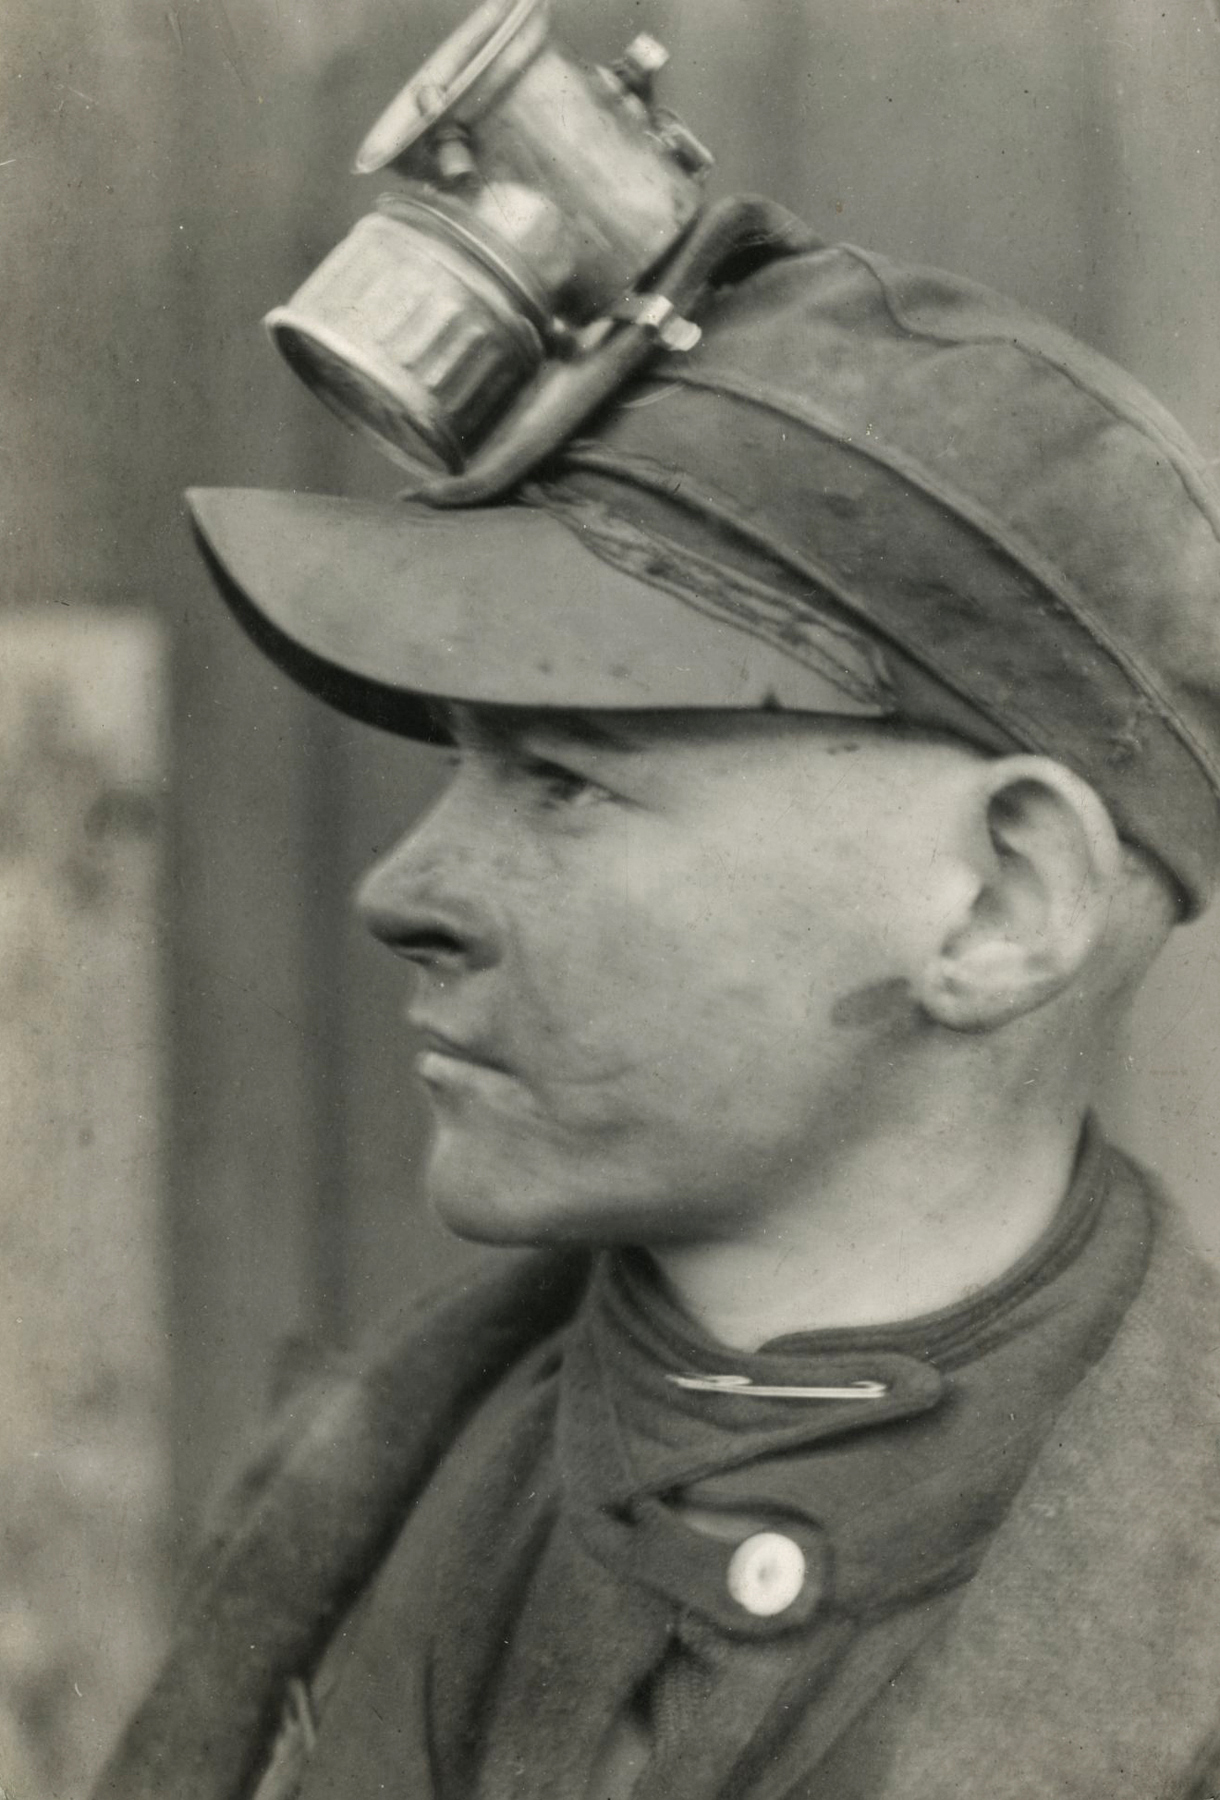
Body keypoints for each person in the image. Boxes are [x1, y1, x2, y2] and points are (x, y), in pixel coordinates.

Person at [96, 237, 1220, 1800]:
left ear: (1000, 902)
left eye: (564, 776)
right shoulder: (367, 1484)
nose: (402, 887)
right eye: (460, 762)